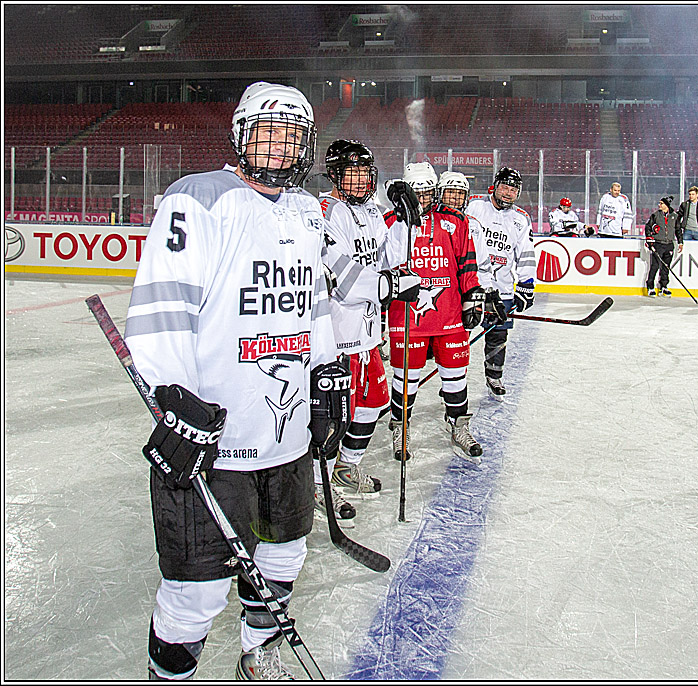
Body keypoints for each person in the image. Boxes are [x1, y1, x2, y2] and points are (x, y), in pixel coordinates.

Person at [124, 81, 340, 680]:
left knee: (283, 557)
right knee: (198, 590)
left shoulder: (305, 209)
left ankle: (258, 652)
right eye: (265, 132)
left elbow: (314, 303)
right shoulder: (197, 199)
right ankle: (171, 671)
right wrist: (175, 400)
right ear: (241, 136)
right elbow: (163, 307)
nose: (278, 147)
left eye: (291, 135)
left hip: (286, 435)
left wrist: (325, 377)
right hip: (213, 439)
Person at [318, 139, 421, 507]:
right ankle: (318, 484)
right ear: (334, 174)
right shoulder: (326, 211)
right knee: (331, 411)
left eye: (365, 173)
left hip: (366, 330)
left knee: (373, 401)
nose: (361, 181)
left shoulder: (374, 212)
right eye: (353, 173)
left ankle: (346, 467)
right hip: (333, 332)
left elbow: (388, 257)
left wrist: (406, 221)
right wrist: (389, 286)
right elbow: (342, 280)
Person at [384, 162, 500, 461]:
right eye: (416, 193)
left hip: (449, 316)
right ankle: (401, 426)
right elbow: (381, 267)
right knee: (405, 378)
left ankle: (458, 425)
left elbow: (467, 265)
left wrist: (474, 297)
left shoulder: (455, 221)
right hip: (407, 318)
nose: (422, 199)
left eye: (427, 193)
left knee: (455, 375)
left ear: (435, 192)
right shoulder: (390, 222)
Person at [466, 167, 536, 397]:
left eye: (513, 189)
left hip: (502, 288)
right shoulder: (474, 205)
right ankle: (454, 378)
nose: (508, 193)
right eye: (504, 187)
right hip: (471, 284)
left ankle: (494, 376)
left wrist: (526, 284)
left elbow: (525, 253)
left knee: (497, 335)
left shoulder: (521, 219)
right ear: (495, 186)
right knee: (460, 333)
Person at [644, 196, 682, 297]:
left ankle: (663, 286)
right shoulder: (656, 215)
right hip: (658, 243)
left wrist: (680, 242)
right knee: (655, 266)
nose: (659, 205)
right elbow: (648, 227)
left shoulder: (675, 216)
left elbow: (678, 230)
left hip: (669, 244)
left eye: (661, 203)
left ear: (666, 205)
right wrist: (649, 239)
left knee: (666, 266)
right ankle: (650, 286)